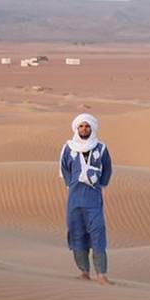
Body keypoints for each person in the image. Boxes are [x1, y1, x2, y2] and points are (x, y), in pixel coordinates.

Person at [59, 113, 113, 284]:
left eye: (87, 126)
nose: (84, 129)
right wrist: (71, 184)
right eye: (81, 126)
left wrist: (101, 184)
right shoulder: (68, 148)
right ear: (76, 128)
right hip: (74, 199)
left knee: (97, 231)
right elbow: (64, 168)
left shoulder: (101, 148)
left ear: (92, 128)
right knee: (76, 232)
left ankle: (101, 274)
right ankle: (84, 271)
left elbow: (108, 169)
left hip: (93, 198)